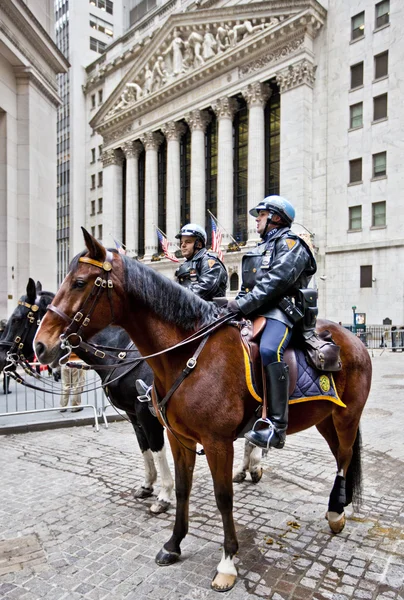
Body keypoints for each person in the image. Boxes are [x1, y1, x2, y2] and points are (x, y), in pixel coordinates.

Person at [227, 196, 317, 450]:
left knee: (269, 349)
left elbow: (276, 282)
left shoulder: (292, 244)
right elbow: (249, 287)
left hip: (281, 312)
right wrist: (234, 305)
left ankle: (277, 427)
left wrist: (242, 305)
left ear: (276, 218)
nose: (256, 219)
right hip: (257, 312)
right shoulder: (260, 249)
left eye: (262, 214)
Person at [174, 223, 228, 300]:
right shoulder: (184, 265)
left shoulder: (209, 261)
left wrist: (178, 297)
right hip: (188, 308)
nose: (183, 245)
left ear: (199, 244)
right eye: (181, 242)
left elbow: (206, 287)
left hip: (211, 309)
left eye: (188, 242)